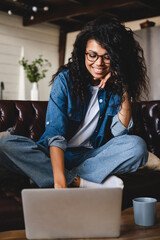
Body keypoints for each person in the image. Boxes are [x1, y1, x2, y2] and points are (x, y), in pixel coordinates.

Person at [0, 17, 149, 189]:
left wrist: (123, 87)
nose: (98, 63)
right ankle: (80, 182)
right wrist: (60, 182)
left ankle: (44, 174)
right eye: (92, 55)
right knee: (5, 145)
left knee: (137, 147)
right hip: (52, 155)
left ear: (117, 59)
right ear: (83, 53)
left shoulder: (114, 86)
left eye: (107, 57)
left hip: (90, 157)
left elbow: (120, 132)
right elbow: (55, 135)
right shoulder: (64, 81)